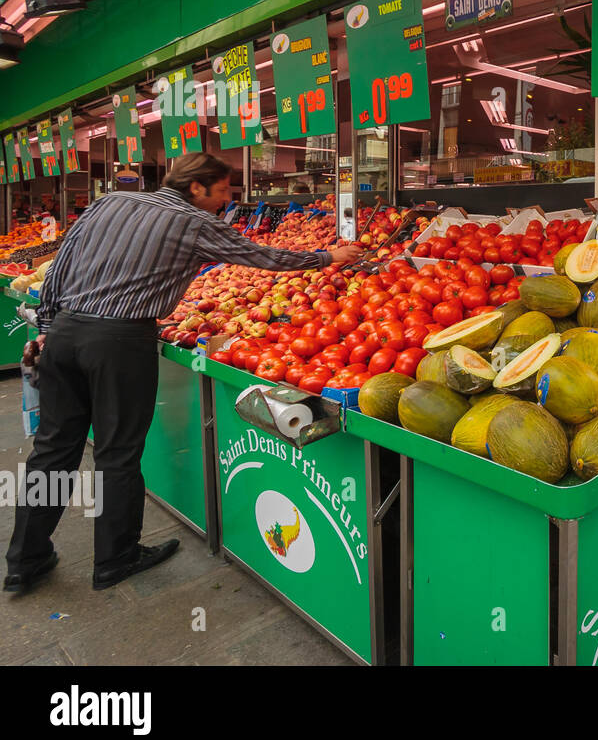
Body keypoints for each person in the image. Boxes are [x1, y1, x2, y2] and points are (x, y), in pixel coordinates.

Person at [4, 153, 364, 596]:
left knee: (51, 450)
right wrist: (328, 255)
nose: (227, 201)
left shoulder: (108, 203)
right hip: (119, 342)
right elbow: (261, 257)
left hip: (65, 332)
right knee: (117, 453)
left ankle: (25, 560)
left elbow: (58, 269)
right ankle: (115, 559)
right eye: (224, 192)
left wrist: (44, 329)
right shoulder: (194, 223)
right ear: (198, 188)